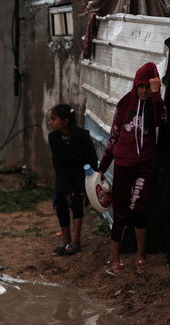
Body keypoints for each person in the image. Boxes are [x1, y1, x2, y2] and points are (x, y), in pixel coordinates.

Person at [97, 62, 167, 276]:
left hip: (144, 167)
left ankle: (140, 256)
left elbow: (161, 121)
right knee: (120, 213)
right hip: (122, 165)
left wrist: (156, 95)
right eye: (141, 86)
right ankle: (114, 259)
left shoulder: (156, 103)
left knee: (139, 209)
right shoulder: (125, 103)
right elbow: (114, 135)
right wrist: (103, 167)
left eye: (148, 86)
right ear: (135, 85)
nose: (144, 90)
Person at [48, 104, 98, 256]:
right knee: (60, 204)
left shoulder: (82, 135)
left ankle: (76, 241)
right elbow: (58, 165)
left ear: (65, 121)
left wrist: (82, 186)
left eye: (53, 119)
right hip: (63, 176)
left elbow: (91, 160)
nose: (50, 122)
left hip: (81, 174)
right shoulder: (53, 138)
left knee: (77, 201)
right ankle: (66, 241)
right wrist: (66, 189)